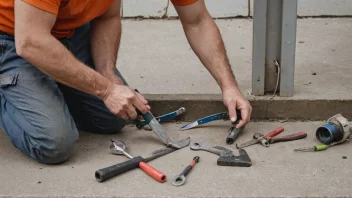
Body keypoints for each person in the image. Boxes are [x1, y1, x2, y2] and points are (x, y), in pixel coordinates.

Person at [0, 0, 252, 164]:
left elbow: (196, 20)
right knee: (55, 143)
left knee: (116, 117)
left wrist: (228, 86)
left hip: (69, 32)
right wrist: (106, 90)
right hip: (14, 37)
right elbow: (31, 40)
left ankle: (49, 83)